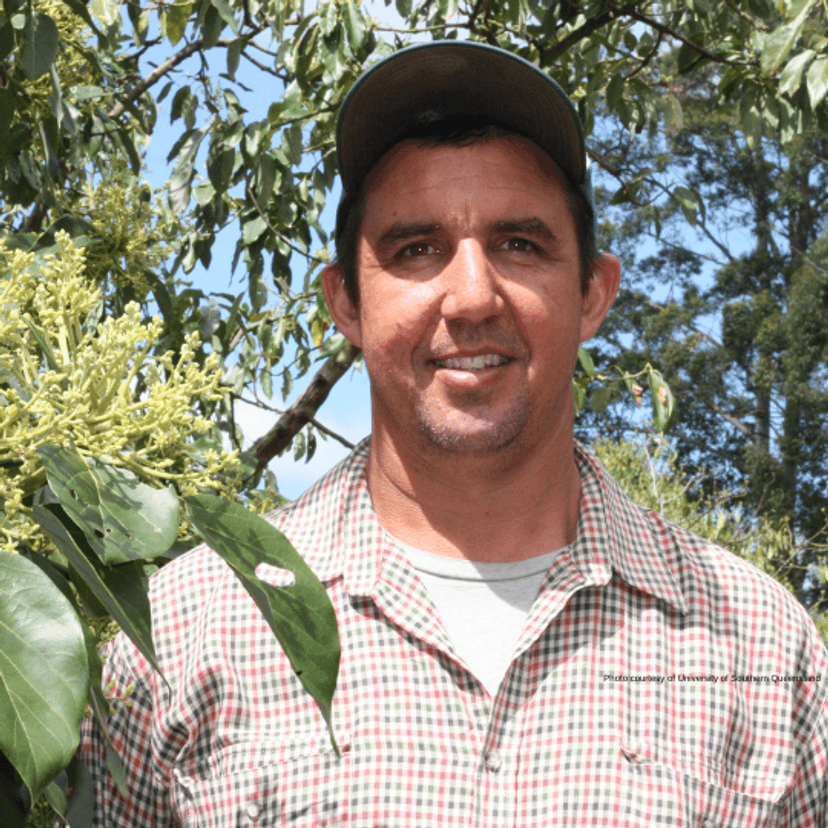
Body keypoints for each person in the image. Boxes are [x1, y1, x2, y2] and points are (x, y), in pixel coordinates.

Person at [79, 42, 828, 826]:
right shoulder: (179, 633)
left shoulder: (763, 648)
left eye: (519, 244)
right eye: (417, 249)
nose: (471, 297)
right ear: (347, 305)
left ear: (593, 294)